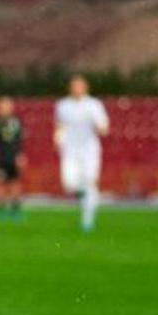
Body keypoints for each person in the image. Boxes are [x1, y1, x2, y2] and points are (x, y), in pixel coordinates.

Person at [54, 75, 109, 232]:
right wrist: (57, 139)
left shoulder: (94, 105)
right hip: (69, 150)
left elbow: (103, 127)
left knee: (90, 182)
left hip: (89, 150)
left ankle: (87, 220)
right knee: (69, 184)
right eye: (74, 86)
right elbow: (59, 125)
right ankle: (84, 195)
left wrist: (100, 128)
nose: (77, 89)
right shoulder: (62, 105)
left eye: (80, 86)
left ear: (85, 88)